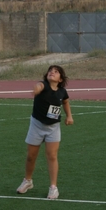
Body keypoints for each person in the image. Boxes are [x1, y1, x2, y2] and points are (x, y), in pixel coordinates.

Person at [17, 65, 74, 199]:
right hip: (36, 125)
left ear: (60, 79)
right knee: (31, 156)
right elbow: (39, 86)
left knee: (52, 156)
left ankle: (53, 188)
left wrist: (69, 116)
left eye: (56, 72)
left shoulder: (62, 92)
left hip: (53, 127)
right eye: (50, 71)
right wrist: (36, 89)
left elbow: (65, 102)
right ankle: (28, 181)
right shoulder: (43, 85)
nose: (51, 73)